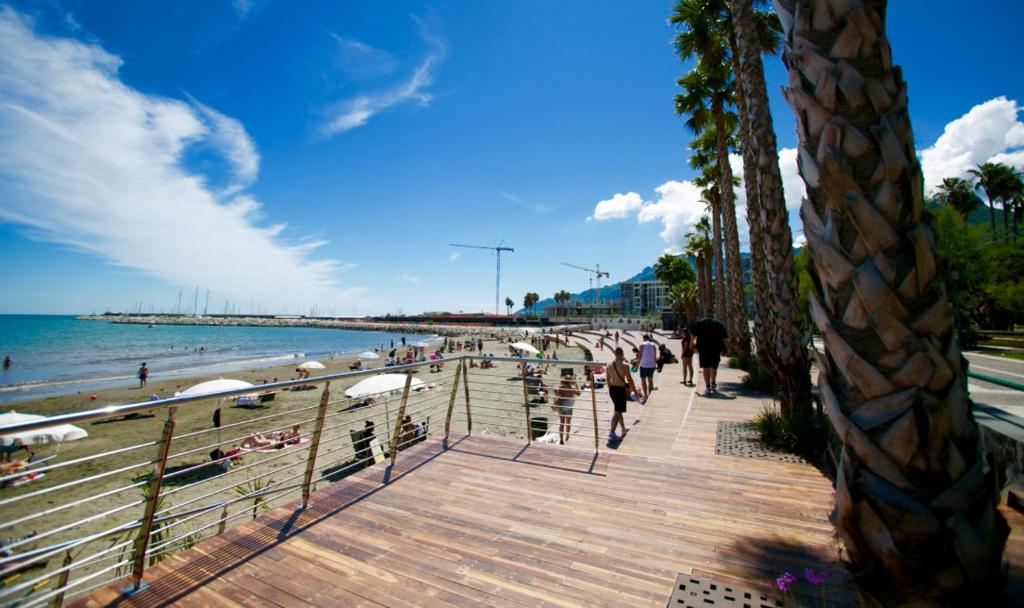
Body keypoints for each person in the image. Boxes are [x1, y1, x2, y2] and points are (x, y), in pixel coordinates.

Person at [606, 347, 637, 442]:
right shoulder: (625, 365)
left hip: (612, 389)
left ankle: (623, 429)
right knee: (617, 412)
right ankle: (611, 433)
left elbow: (608, 380)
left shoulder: (609, 365)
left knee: (618, 410)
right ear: (622, 353)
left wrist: (610, 390)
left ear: (615, 354)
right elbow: (630, 379)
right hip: (620, 389)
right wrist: (634, 391)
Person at [691, 317, 727, 396]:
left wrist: (691, 343)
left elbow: (693, 334)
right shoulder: (718, 324)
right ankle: (713, 382)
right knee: (714, 366)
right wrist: (726, 348)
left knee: (706, 367)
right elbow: (725, 338)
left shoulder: (699, 323)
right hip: (716, 348)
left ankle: (708, 387)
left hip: (703, 348)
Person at [553, 374, 581, 445]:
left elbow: (557, 395)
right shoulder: (572, 389)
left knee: (562, 424)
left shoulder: (561, 388)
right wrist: (575, 382)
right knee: (568, 423)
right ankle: (567, 436)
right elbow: (579, 393)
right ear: (570, 381)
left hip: (561, 407)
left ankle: (561, 439)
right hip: (569, 408)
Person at [637, 335, 658, 403]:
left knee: (643, 380)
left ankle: (645, 395)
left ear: (644, 338)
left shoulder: (642, 345)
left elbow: (640, 355)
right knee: (650, 380)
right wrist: (655, 364)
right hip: (651, 365)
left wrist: (637, 365)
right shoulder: (653, 345)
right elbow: (655, 356)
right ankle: (650, 395)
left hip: (643, 365)